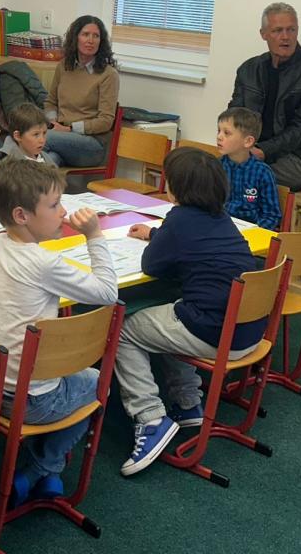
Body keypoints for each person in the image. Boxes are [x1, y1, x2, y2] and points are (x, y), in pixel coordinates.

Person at [0, 159, 118, 503]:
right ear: (22, 215)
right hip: (31, 400)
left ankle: (46, 472)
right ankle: (40, 469)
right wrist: (94, 235)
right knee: (99, 384)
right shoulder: (43, 262)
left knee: (64, 373)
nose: (63, 212)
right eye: (54, 205)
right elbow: (108, 293)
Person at [114, 148, 264, 476]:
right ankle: (187, 402)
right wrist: (156, 234)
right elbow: (194, 244)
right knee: (170, 314)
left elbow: (151, 264)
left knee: (122, 330)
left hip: (214, 333)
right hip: (250, 332)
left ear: (176, 189)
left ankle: (150, 417)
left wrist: (159, 237)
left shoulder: (179, 218)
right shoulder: (221, 218)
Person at [228, 2, 301, 191]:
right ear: (263, 34)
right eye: (277, 30)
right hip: (252, 150)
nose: (286, 37)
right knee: (207, 168)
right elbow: (234, 117)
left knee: (243, 174)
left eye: (291, 30)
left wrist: (263, 151)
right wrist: (235, 144)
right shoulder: (249, 69)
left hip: (300, 158)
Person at [43, 16, 119, 170]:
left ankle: (4, 172)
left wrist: (70, 129)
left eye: (96, 36)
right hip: (60, 136)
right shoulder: (64, 66)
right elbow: (51, 102)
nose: (90, 40)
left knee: (35, 136)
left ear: (101, 41)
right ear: (75, 38)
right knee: (49, 161)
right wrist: (52, 122)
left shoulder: (109, 75)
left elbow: (105, 121)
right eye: (85, 34)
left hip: (91, 144)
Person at [217, 106, 281, 230]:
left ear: (248, 141)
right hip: (220, 227)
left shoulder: (263, 173)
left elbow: (271, 215)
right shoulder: (216, 167)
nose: (219, 137)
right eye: (218, 131)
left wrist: (254, 231)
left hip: (251, 231)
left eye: (226, 133)